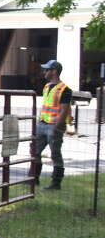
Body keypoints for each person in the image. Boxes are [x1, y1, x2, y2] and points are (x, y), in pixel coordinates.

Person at [34, 59, 72, 190]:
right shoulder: (46, 87)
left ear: (54, 71)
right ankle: (34, 179)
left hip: (53, 126)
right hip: (42, 124)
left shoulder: (65, 89)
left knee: (55, 154)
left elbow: (64, 110)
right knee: (35, 151)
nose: (44, 72)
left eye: (47, 70)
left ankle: (56, 183)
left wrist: (57, 126)